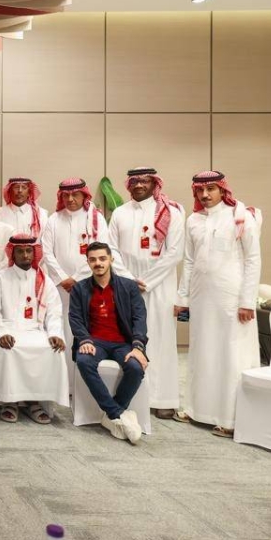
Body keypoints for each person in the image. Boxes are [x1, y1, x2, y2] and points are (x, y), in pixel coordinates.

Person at [175, 171, 262, 437]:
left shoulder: (240, 216)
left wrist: (247, 301)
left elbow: (253, 259)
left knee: (231, 354)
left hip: (232, 299)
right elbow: (189, 261)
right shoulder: (193, 220)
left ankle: (231, 419)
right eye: (200, 190)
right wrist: (182, 298)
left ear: (223, 190)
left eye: (211, 189)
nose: (205, 195)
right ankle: (196, 410)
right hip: (202, 297)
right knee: (202, 351)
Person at [107, 167, 185, 419]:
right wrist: (129, 279)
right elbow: (111, 249)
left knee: (161, 340)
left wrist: (148, 281)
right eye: (134, 181)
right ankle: (134, 396)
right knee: (129, 339)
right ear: (128, 184)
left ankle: (163, 399)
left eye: (145, 181)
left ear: (155, 184)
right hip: (126, 286)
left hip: (161, 287)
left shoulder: (171, 212)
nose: (139, 185)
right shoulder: (120, 213)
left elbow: (175, 252)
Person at [41, 178, 128, 376]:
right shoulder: (54, 219)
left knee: (86, 327)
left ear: (84, 195)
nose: (70, 199)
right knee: (60, 326)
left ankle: (82, 378)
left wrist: (77, 278)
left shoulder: (95, 219)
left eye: (75, 194)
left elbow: (100, 250)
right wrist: (63, 278)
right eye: (66, 195)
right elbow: (46, 252)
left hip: (88, 284)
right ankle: (62, 379)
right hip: (60, 287)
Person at [68, 242, 148, 445]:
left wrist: (138, 347)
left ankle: (112, 414)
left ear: (111, 259)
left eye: (102, 258)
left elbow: (139, 318)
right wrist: (84, 340)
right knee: (84, 361)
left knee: (136, 367)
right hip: (94, 342)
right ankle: (118, 414)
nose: (98, 263)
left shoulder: (129, 286)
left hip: (123, 343)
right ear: (88, 262)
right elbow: (75, 318)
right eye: (93, 259)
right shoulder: (79, 288)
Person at [0, 234, 66, 424]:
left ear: (34, 253)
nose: (25, 255)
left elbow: (54, 311)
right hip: (7, 329)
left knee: (53, 350)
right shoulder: (0, 277)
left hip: (35, 330)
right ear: (12, 254)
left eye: (29, 251)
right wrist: (1, 334)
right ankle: (10, 402)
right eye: (20, 251)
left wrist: (55, 333)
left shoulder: (44, 280)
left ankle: (34, 402)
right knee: (9, 350)